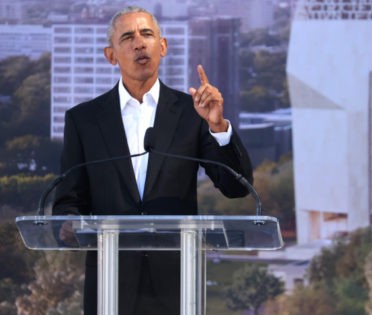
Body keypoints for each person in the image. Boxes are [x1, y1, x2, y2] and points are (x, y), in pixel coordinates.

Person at [52, 6, 253, 315]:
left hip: (178, 281)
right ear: (111, 55)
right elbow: (68, 201)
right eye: (128, 37)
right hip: (110, 282)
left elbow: (236, 187)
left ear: (163, 46)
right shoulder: (84, 120)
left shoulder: (192, 112)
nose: (139, 43)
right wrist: (67, 224)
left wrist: (217, 126)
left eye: (147, 34)